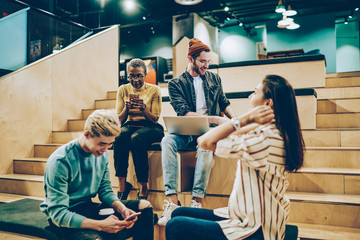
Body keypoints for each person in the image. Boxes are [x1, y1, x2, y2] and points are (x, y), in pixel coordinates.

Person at [165, 75, 305, 240]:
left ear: (268, 103)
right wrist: (247, 121)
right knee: (179, 212)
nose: (250, 96)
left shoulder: (265, 138)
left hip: (256, 227)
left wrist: (243, 119)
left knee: (176, 226)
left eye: (255, 92)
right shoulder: (272, 131)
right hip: (246, 215)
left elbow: (205, 141)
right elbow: (218, 137)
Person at [40, 109, 154, 240]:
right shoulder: (60, 160)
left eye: (110, 144)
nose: (106, 149)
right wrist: (101, 225)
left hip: (88, 208)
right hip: (65, 217)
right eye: (102, 144)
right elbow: (57, 214)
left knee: (144, 207)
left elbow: (105, 191)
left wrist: (122, 208)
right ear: (87, 134)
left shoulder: (101, 153)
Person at [158, 38, 236, 226]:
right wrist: (216, 119)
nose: (206, 66)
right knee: (167, 141)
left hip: (208, 131)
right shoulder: (176, 83)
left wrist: (234, 120)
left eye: (208, 62)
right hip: (187, 130)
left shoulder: (214, 78)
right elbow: (184, 112)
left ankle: (196, 202)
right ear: (190, 59)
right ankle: (173, 203)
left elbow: (224, 103)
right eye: (202, 61)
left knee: (205, 147)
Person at [113, 58, 164, 200]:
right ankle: (122, 185)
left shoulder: (155, 90)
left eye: (139, 75)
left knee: (137, 138)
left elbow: (155, 118)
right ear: (128, 75)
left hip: (151, 127)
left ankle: (143, 186)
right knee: (119, 136)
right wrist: (126, 108)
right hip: (130, 125)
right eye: (132, 76)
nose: (135, 79)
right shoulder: (123, 89)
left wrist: (143, 109)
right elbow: (119, 120)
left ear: (145, 74)